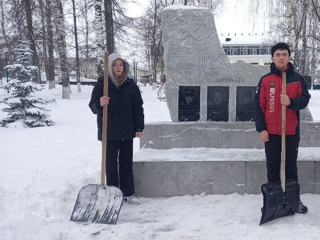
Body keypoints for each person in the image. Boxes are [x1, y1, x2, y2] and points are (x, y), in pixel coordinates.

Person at [255, 42, 310, 213]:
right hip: (271, 132)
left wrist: (291, 102)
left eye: (284, 54)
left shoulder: (297, 79)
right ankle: (274, 201)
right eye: (278, 54)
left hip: (291, 131)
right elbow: (259, 106)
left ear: (289, 57)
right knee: (273, 166)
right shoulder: (265, 80)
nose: (281, 57)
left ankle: (294, 200)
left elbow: (305, 100)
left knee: (291, 167)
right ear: (272, 58)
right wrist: (261, 129)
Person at [89, 53, 144, 205]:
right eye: (114, 65)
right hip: (109, 130)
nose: (118, 68)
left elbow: (137, 108)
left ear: (124, 67)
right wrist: (100, 103)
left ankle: (128, 193)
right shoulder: (102, 84)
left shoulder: (131, 85)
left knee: (126, 163)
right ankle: (112, 193)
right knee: (110, 164)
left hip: (127, 130)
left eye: (121, 65)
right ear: (109, 67)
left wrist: (139, 126)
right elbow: (93, 106)